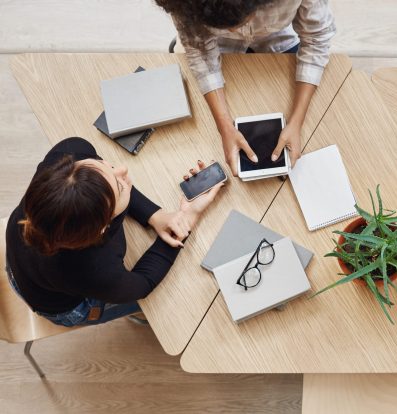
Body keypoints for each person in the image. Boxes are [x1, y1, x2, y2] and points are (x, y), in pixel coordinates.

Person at [4, 137, 223, 326]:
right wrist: (187, 218)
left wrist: (154, 216)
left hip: (22, 267)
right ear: (102, 227)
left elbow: (99, 183)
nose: (122, 170)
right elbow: (142, 284)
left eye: (103, 165)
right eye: (119, 186)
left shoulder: (67, 154)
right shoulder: (95, 270)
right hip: (62, 306)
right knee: (165, 302)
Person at [155, 0, 336, 174]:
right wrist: (224, 126)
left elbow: (316, 39)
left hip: (278, 38)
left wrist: (297, 121)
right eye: (222, 25)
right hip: (215, 44)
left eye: (239, 20)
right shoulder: (186, 3)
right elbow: (200, 51)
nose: (234, 29)